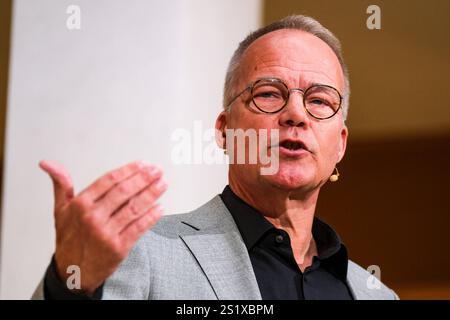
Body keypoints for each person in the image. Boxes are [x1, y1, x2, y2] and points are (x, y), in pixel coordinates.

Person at [32, 15, 398, 300]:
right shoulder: (141, 253)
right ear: (225, 130)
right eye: (269, 94)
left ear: (341, 145)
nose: (296, 114)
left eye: (319, 100)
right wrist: (68, 286)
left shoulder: (376, 293)